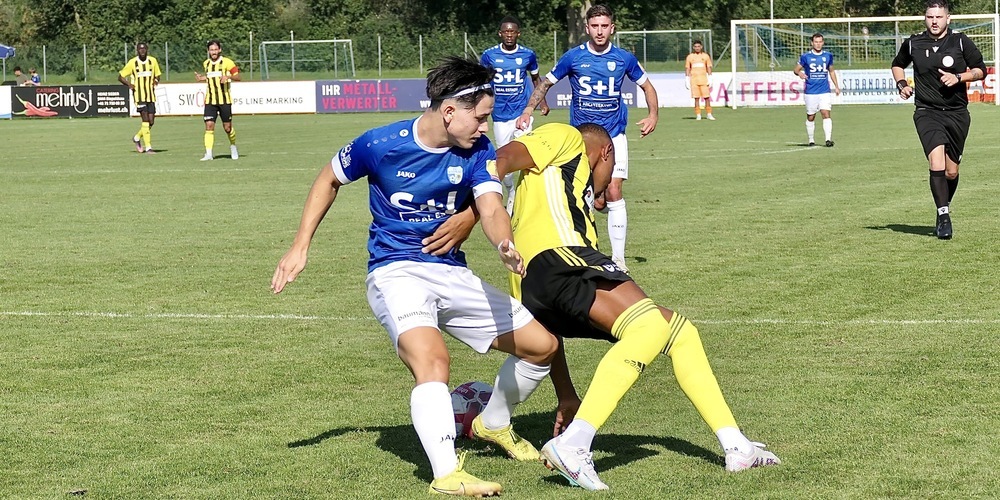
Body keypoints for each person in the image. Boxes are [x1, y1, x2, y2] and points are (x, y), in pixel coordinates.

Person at [425, 122, 781, 491]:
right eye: (609, 175)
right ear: (606, 153)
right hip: (563, 259)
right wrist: (472, 215)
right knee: (649, 326)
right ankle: (575, 444)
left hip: (538, 281)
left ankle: (736, 445)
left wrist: (566, 395)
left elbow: (545, 335)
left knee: (678, 331)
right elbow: (500, 159)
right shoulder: (566, 138)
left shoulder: (553, 210)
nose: (606, 190)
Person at [271, 56, 559, 497]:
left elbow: (490, 208)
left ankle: (492, 423)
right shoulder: (381, 143)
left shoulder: (478, 151)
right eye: (481, 118)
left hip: (450, 273)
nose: (486, 128)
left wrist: (503, 243)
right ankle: (446, 473)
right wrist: (300, 245)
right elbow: (329, 178)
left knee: (542, 347)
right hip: (396, 271)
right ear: (449, 112)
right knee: (433, 362)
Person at [516, 4, 659, 274]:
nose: (600, 31)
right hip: (581, 140)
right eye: (595, 26)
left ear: (612, 28)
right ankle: (587, 250)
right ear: (587, 28)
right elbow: (545, 83)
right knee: (589, 198)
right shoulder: (573, 57)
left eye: (605, 26)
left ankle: (618, 261)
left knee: (614, 191)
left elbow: (647, 86)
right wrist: (527, 110)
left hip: (614, 135)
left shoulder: (624, 58)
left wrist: (653, 115)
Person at [892, 0, 986, 240]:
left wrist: (959, 77)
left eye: (939, 17)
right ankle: (944, 216)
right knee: (937, 163)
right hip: (927, 111)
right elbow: (897, 64)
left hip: (957, 113)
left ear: (948, 19)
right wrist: (901, 84)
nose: (934, 21)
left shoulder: (960, 41)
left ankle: (941, 204)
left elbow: (980, 70)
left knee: (951, 172)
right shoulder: (913, 42)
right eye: (930, 17)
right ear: (925, 18)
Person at [479, 15, 550, 212]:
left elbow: (537, 80)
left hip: (522, 111)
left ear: (518, 33)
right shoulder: (489, 55)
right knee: (504, 156)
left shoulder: (528, 55)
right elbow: (481, 82)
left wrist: (542, 102)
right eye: (506, 32)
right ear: (500, 33)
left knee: (526, 150)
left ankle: (526, 198)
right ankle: (511, 190)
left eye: (513, 32)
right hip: (500, 114)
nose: (509, 35)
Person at [195, 40, 240, 161]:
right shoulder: (206, 63)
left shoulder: (227, 62)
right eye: (211, 50)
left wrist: (228, 76)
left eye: (215, 49)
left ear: (219, 50)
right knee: (209, 125)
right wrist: (202, 78)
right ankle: (208, 153)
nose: (213, 52)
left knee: (227, 128)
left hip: (224, 100)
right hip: (210, 101)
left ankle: (233, 146)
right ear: (208, 51)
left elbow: (238, 76)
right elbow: (211, 77)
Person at [793, 33, 841, 147]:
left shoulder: (828, 55)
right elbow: (796, 70)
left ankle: (828, 140)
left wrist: (837, 86)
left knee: (826, 113)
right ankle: (811, 140)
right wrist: (800, 73)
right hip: (811, 91)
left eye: (820, 42)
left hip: (824, 90)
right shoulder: (806, 56)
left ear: (823, 43)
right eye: (816, 42)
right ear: (812, 43)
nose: (818, 44)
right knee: (811, 116)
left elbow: (831, 71)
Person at [118, 42, 162, 154]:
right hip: (139, 95)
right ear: (137, 50)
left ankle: (137, 137)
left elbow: (158, 74)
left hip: (150, 95)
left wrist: (156, 80)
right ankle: (148, 148)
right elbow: (120, 77)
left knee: (151, 121)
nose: (142, 51)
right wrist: (129, 85)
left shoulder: (153, 61)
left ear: (147, 49)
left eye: (144, 49)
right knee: (145, 121)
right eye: (140, 49)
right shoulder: (133, 62)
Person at [685, 40, 714, 120]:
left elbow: (708, 67)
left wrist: (710, 77)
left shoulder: (705, 56)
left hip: (704, 80)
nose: (697, 48)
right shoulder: (690, 57)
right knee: (696, 98)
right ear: (693, 47)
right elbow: (687, 68)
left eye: (698, 46)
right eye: (695, 47)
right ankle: (698, 114)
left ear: (701, 47)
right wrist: (687, 78)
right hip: (694, 80)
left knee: (707, 97)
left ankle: (709, 113)